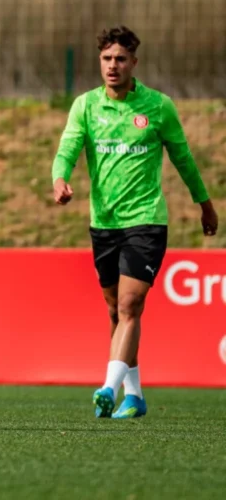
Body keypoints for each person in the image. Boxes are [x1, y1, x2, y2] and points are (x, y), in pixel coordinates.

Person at [51, 26, 217, 419]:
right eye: (107, 59)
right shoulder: (85, 106)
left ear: (134, 63)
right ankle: (135, 396)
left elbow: (183, 158)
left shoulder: (158, 107)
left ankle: (107, 389)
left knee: (130, 303)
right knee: (116, 311)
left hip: (146, 221)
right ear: (100, 62)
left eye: (120, 59)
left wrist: (205, 204)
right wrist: (60, 178)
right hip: (104, 223)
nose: (113, 66)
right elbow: (67, 148)